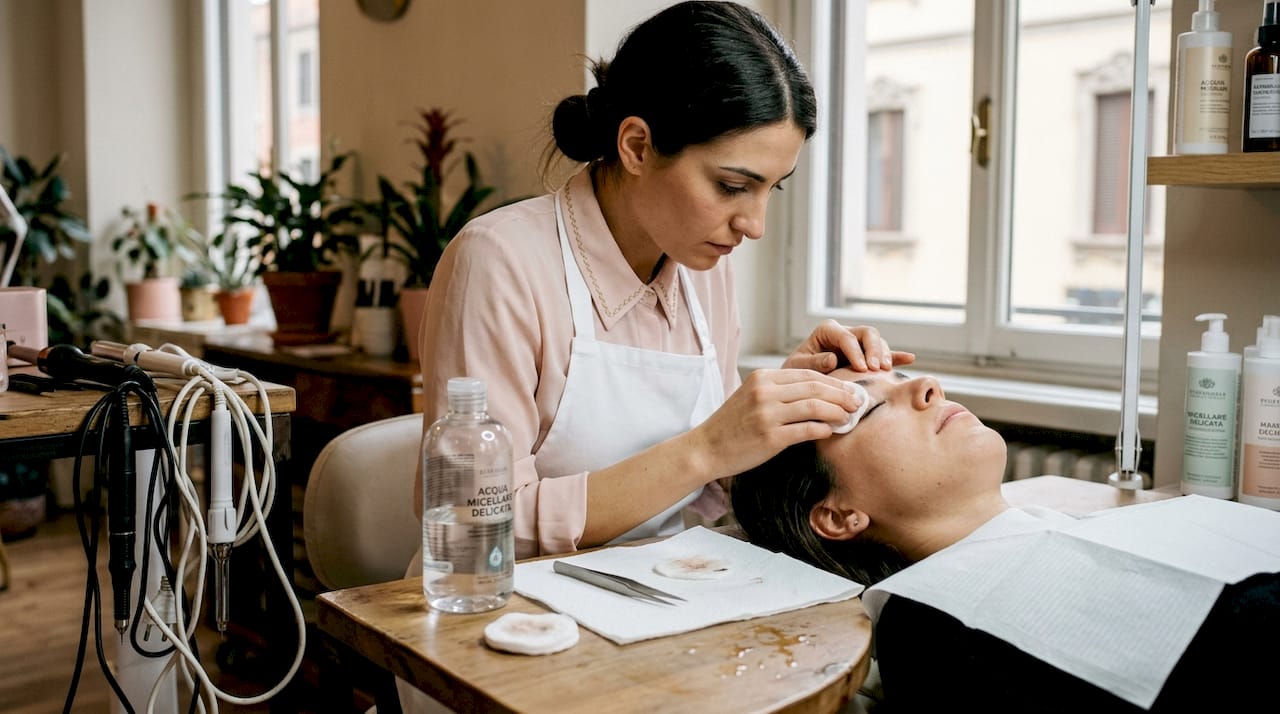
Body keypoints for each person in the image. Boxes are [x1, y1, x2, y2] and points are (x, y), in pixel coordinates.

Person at [413, 0, 913, 561]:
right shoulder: (500, 261)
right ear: (637, 146)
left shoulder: (705, 268)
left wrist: (786, 403)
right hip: (509, 615)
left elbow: (718, 489)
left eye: (772, 188)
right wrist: (706, 448)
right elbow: (471, 524)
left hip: (658, 589)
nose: (754, 225)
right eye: (731, 186)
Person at [731, 368, 1280, 713]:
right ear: (839, 515)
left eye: (903, 379)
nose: (928, 386)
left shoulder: (1097, 528)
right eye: (870, 408)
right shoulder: (933, 628)